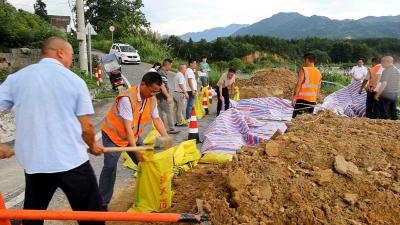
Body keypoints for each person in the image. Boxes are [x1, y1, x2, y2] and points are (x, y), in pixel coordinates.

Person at [0, 36, 105, 225]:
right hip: (71, 162)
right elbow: (87, 127)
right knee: (92, 216)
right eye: (71, 57)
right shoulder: (74, 81)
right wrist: (93, 145)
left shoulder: (17, 78)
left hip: (35, 164)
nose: (70, 62)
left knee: (32, 217)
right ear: (60, 52)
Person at [99, 72, 169, 210]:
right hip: (114, 136)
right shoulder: (127, 98)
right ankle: (101, 204)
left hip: (133, 136)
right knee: (110, 167)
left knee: (147, 163)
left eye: (157, 92)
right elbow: (127, 128)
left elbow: (157, 119)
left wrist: (166, 137)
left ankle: (150, 195)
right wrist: (135, 151)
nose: (153, 94)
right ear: (143, 84)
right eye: (152, 90)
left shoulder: (152, 99)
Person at [292, 53, 322, 118]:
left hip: (302, 100)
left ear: (307, 60)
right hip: (312, 101)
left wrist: (294, 97)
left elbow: (299, 84)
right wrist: (316, 99)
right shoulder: (318, 73)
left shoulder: (304, 70)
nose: (304, 62)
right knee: (306, 122)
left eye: (304, 60)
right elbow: (318, 88)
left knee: (295, 121)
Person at [157, 59, 179, 134]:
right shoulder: (162, 73)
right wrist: (167, 96)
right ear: (167, 65)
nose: (170, 68)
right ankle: (171, 128)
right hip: (162, 97)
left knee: (161, 114)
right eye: (170, 66)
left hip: (158, 96)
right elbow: (162, 86)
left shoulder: (159, 72)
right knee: (169, 112)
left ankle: (162, 128)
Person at [375, 56, 400, 120]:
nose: (381, 64)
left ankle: (383, 127)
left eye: (382, 62)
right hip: (394, 93)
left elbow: (384, 83)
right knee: (393, 112)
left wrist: (378, 94)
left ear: (387, 62)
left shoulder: (386, 71)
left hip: (386, 94)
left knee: (384, 113)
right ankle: (394, 127)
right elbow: (399, 82)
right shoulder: (397, 70)